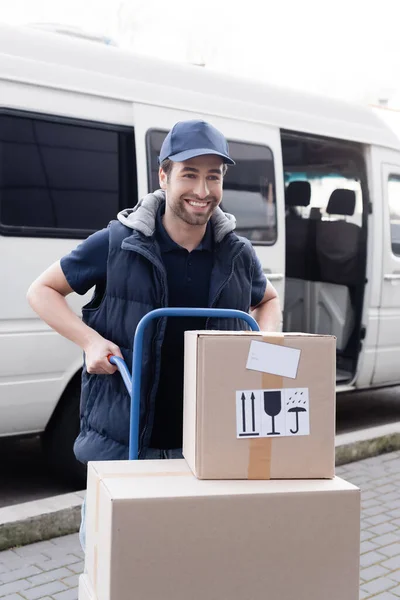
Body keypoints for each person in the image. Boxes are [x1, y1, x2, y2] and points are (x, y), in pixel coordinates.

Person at [27, 119, 282, 549]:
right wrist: (89, 341)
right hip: (124, 452)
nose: (202, 190)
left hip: (205, 452)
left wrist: (265, 341)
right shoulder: (118, 242)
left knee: (186, 568)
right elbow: (42, 291)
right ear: (163, 176)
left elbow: (268, 300)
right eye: (189, 174)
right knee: (114, 571)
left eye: (213, 176)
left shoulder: (238, 254)